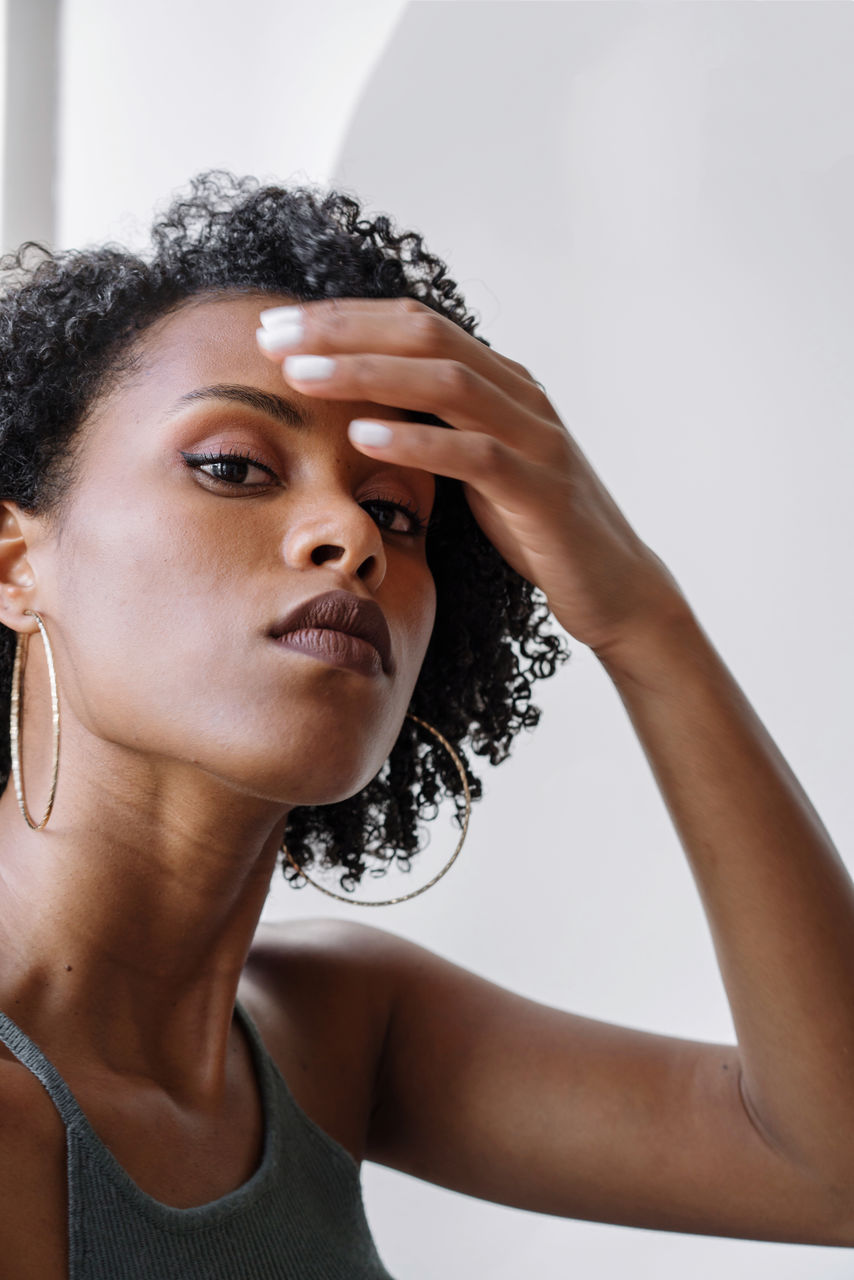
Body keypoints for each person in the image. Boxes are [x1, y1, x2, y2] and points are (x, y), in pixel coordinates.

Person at [0, 170, 851, 1279]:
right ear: (18, 563)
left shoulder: (332, 1025)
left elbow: (828, 1166)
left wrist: (638, 615)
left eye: (395, 512)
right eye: (234, 466)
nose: (347, 535)